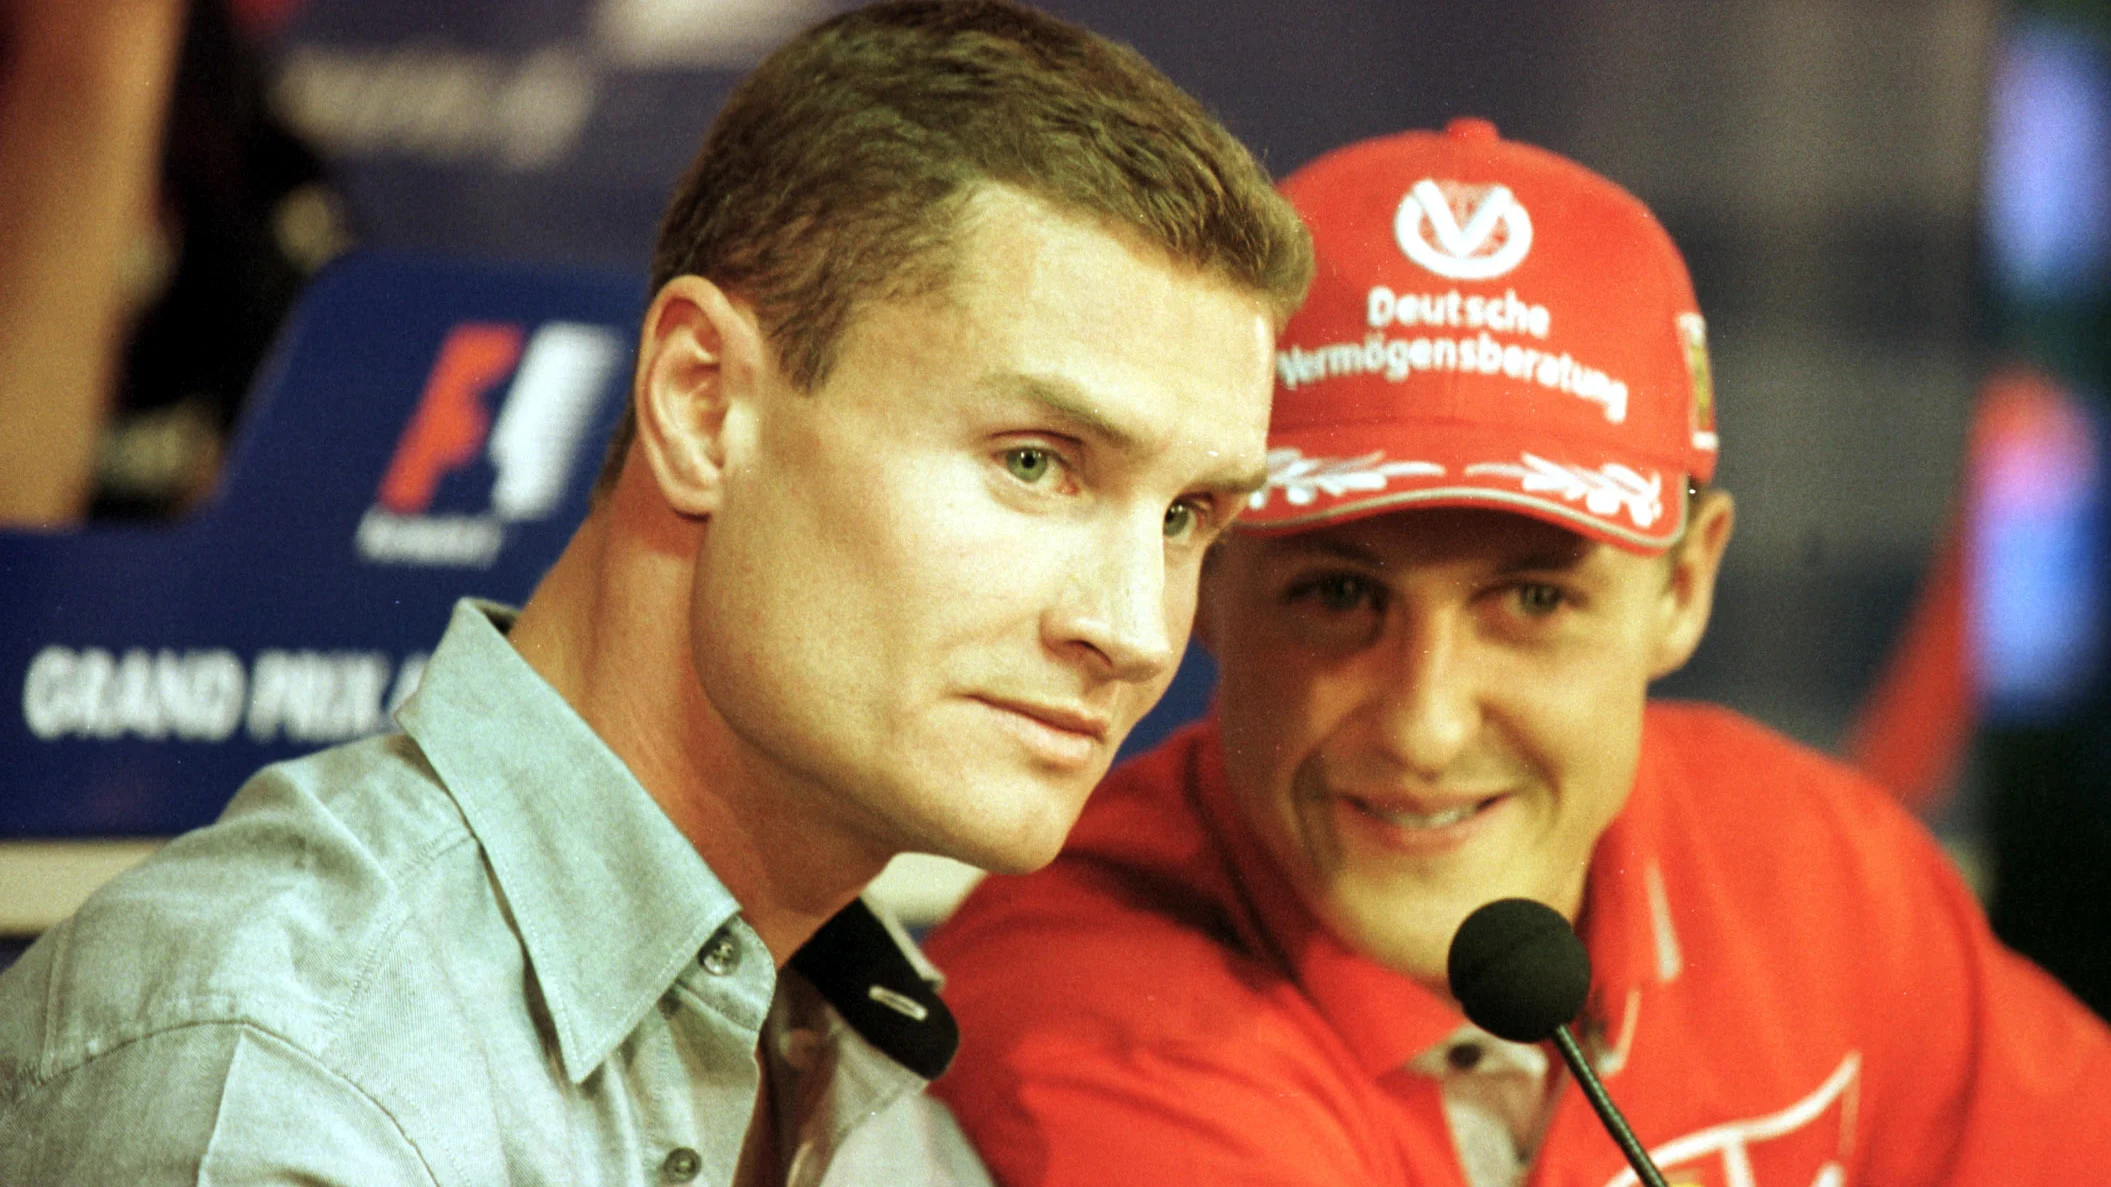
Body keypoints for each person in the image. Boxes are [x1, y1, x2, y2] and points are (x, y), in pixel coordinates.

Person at [0, 3, 1311, 1183]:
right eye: (1034, 463)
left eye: (1190, 515)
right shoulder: (289, 1071)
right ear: (701, 404)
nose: (1133, 627)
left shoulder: (873, 1094)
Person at [926, 119, 2111, 1187]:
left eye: (1533, 600)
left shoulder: (1817, 867)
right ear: (1215, 582)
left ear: (1681, 589)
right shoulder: (1090, 1018)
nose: (1426, 722)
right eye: (1337, 594)